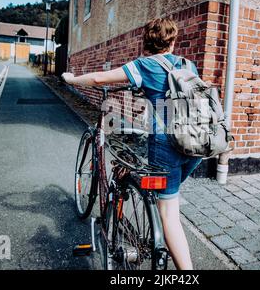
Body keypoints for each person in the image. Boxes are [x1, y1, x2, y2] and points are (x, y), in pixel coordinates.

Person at [62, 18, 202, 270]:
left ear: (146, 42)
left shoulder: (144, 65)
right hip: (196, 145)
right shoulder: (187, 64)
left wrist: (71, 79)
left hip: (166, 145)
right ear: (172, 41)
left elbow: (98, 79)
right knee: (167, 197)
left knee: (169, 215)